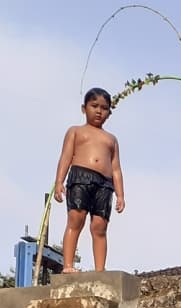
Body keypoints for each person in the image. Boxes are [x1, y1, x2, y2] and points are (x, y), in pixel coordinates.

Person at [53, 87, 125, 273]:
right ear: (84, 108)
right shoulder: (76, 131)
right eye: (94, 106)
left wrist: (120, 195)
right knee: (76, 219)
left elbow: (116, 168)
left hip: (105, 183)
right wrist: (59, 181)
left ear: (109, 113)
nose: (99, 111)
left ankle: (100, 269)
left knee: (100, 226)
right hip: (81, 176)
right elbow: (65, 157)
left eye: (104, 108)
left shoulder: (111, 139)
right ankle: (68, 265)